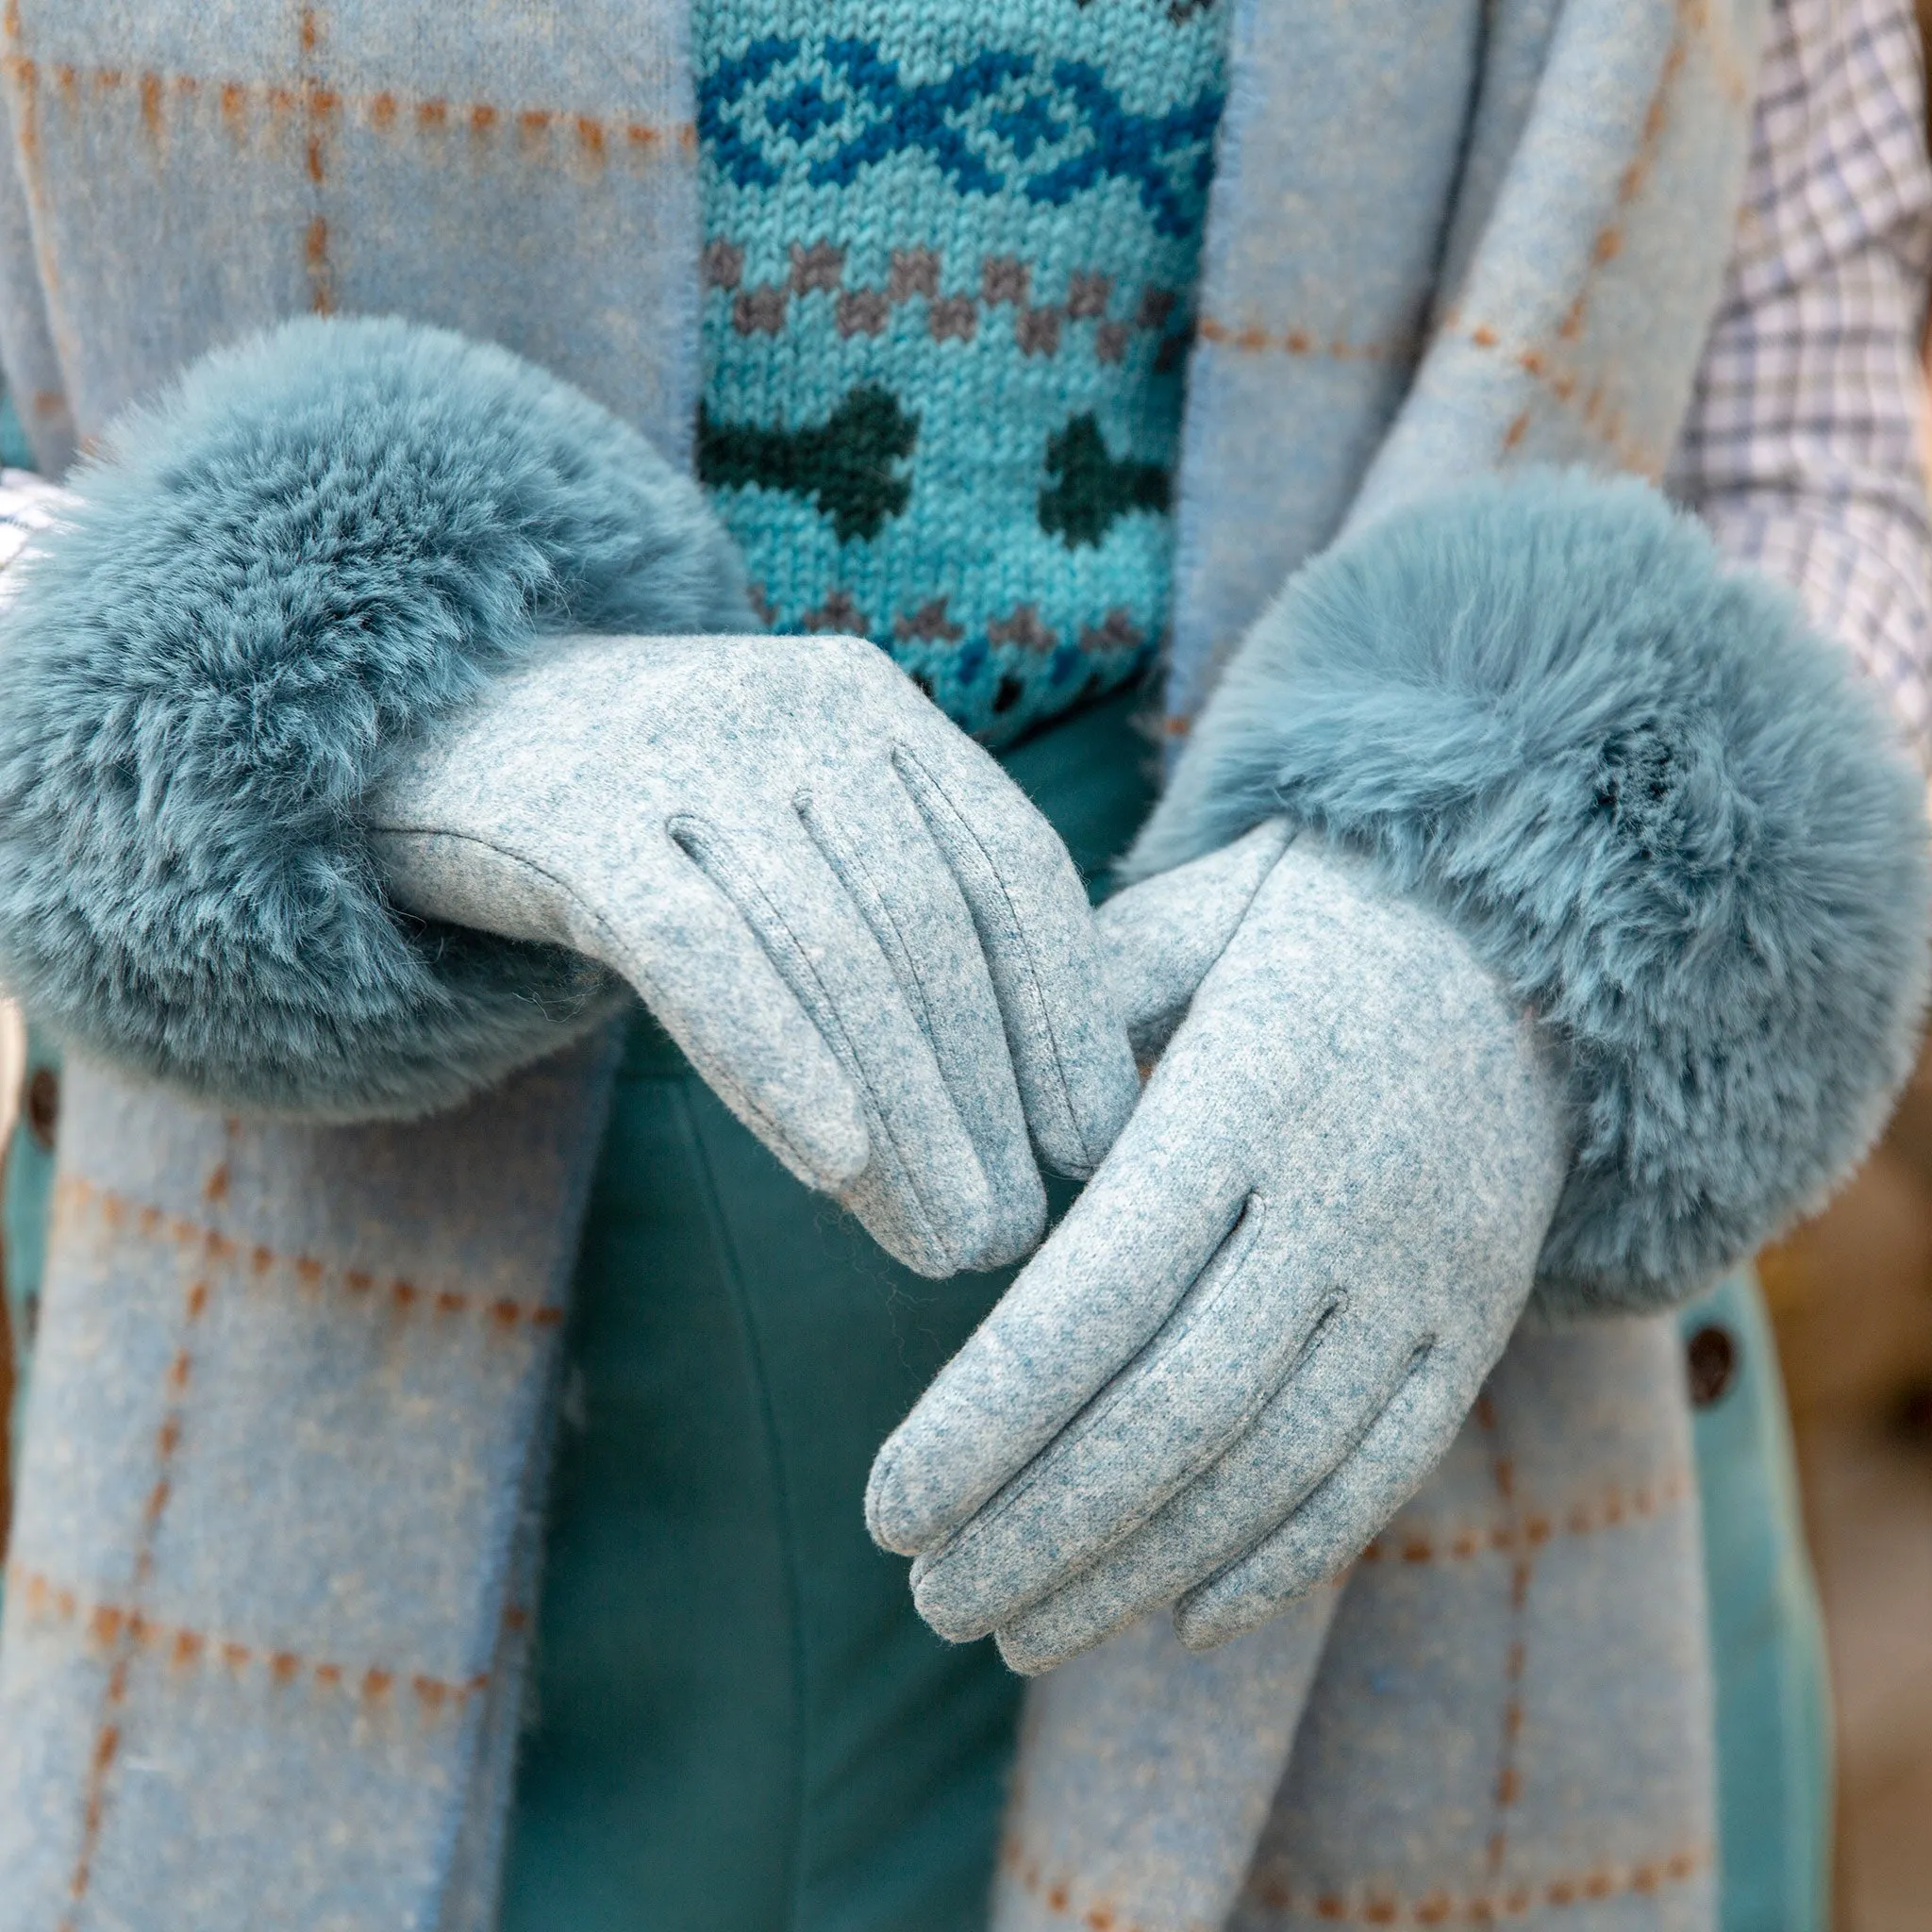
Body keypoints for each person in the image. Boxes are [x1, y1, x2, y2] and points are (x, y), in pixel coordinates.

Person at [0, 2, 1927, 1928]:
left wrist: (1542, 930)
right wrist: (335, 709)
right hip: (369, 1446)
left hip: (1430, 1489)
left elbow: (1816, 461)